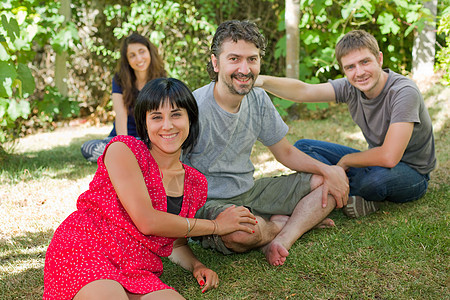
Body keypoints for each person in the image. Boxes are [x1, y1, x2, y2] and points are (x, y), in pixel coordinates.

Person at [44, 78, 257, 300]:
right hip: (88, 248)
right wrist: (216, 226)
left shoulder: (195, 183)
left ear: (190, 119)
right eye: (156, 117)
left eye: (176, 114)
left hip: (138, 267)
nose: (167, 125)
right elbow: (147, 221)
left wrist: (196, 265)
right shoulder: (123, 150)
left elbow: (175, 242)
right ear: (145, 124)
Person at [182, 20, 349, 267]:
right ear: (216, 63)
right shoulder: (193, 106)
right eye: (234, 59)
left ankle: (282, 238)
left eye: (252, 59)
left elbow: (285, 152)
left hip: (251, 191)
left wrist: (329, 170)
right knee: (238, 234)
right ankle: (282, 223)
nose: (245, 68)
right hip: (210, 202)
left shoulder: (258, 98)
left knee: (330, 184)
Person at [255, 29, 436, 218]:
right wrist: (261, 80)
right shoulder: (351, 87)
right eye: (350, 67)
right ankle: (341, 186)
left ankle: (335, 186)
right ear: (344, 69)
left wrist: (345, 162)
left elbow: (390, 157)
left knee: (376, 180)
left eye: (365, 62)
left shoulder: (403, 92)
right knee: (303, 147)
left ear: (379, 59)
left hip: (411, 173)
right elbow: (304, 92)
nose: (359, 72)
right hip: (374, 162)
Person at [81, 32, 167, 162]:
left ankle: (131, 157)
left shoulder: (162, 80)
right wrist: (124, 146)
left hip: (149, 141)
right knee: (87, 148)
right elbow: (120, 114)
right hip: (122, 138)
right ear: (127, 60)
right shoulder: (120, 80)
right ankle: (131, 157)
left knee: (158, 150)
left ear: (149, 52)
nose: (138, 59)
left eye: (141, 52)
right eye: (132, 55)